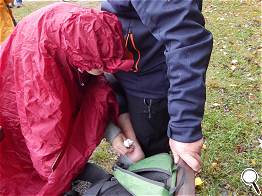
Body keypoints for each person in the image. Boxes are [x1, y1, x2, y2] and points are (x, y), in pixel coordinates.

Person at [0, 3, 143, 195]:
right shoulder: (42, 81)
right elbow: (47, 141)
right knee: (27, 163)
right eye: (99, 66)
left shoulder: (85, 32)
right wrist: (61, 175)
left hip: (40, 52)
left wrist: (114, 134)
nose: (104, 70)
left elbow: (95, 93)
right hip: (21, 83)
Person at [101, 1, 213, 172]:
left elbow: (185, 40)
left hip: (148, 85)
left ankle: (155, 175)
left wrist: (184, 129)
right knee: (138, 137)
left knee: (150, 148)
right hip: (130, 69)